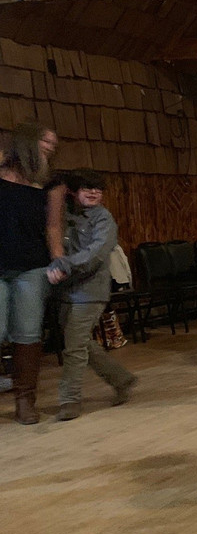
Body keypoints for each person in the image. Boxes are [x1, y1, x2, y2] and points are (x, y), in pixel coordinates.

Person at [46, 169, 136, 420]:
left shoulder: (103, 218)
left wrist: (64, 265)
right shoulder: (65, 215)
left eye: (98, 189)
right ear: (74, 192)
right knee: (80, 342)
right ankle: (121, 379)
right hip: (66, 290)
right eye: (87, 188)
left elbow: (96, 253)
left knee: (74, 346)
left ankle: (70, 400)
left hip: (91, 291)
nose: (94, 192)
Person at [1, 122, 64, 424]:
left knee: (27, 333)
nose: (50, 147)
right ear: (26, 141)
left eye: (53, 144)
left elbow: (53, 227)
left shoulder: (52, 183)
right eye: (44, 141)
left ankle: (25, 399)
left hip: (32, 266)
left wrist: (58, 261)